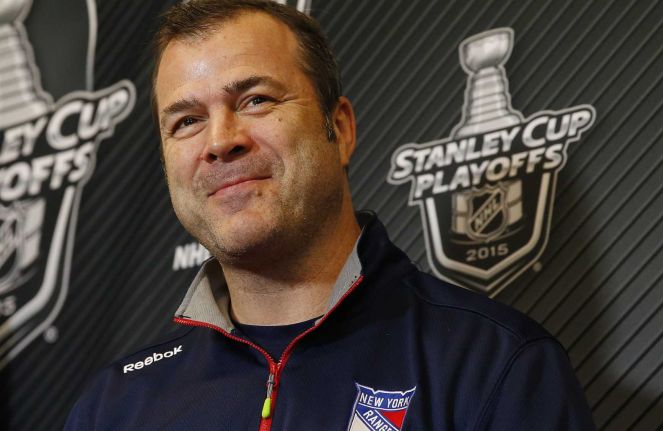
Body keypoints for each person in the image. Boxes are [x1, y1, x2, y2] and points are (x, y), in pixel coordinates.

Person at [64, 1, 596, 429]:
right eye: (185, 121)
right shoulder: (113, 406)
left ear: (338, 129)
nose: (220, 141)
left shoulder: (493, 367)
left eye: (255, 100)